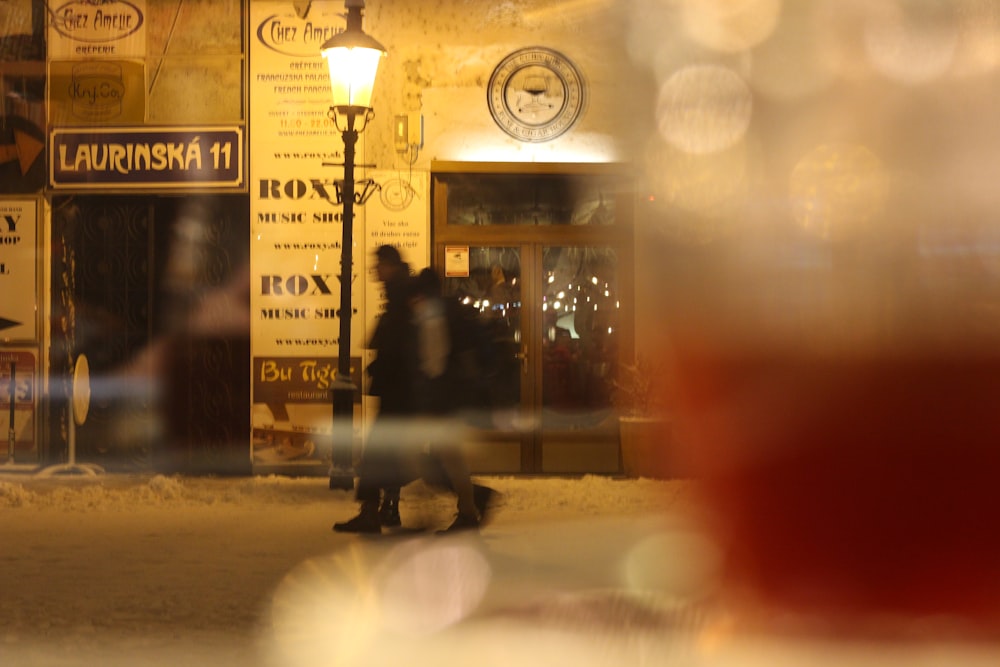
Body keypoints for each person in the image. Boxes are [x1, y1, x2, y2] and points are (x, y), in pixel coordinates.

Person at [333, 245, 416, 533]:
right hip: (399, 389)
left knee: (379, 453)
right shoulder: (401, 292)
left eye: (378, 264)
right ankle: (387, 509)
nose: (375, 270)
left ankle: (372, 511)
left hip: (399, 388)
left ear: (390, 265)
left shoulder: (401, 293)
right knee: (390, 453)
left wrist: (381, 364)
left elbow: (400, 342)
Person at [408, 267, 497, 532]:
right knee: (448, 457)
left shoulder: (433, 315)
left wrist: (424, 386)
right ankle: (466, 509)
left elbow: (434, 362)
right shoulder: (451, 311)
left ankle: (454, 513)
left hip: (440, 399)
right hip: (451, 397)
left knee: (427, 454)